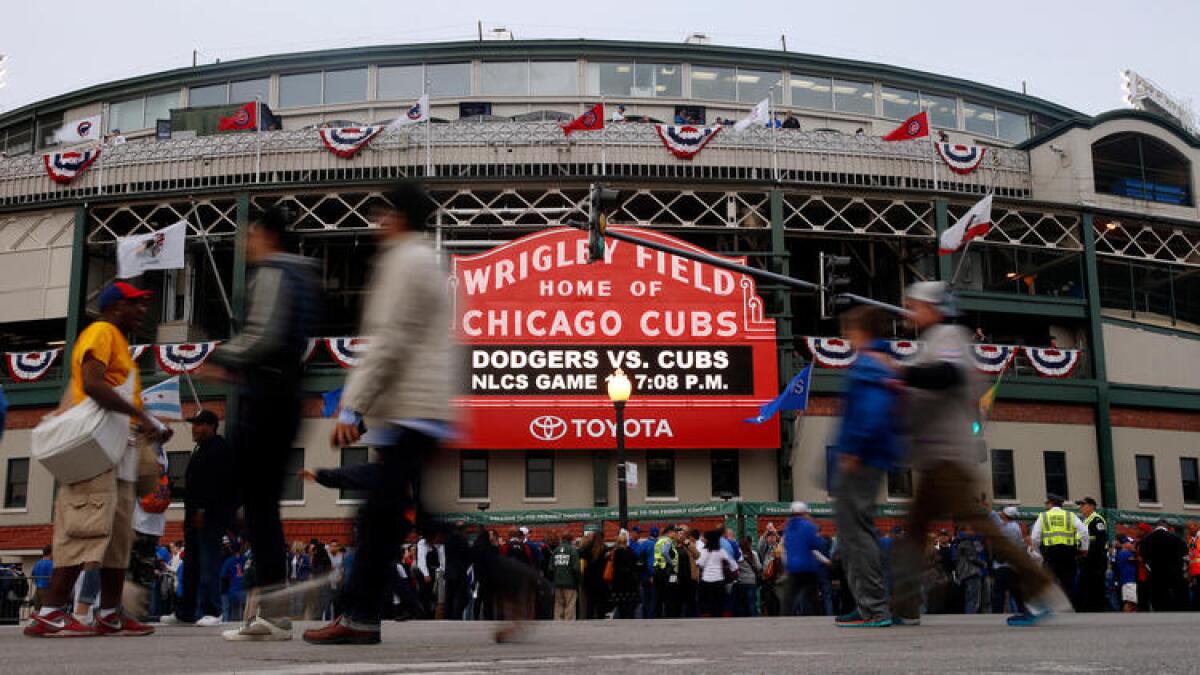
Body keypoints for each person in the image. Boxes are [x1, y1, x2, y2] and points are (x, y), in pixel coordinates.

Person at [303, 180, 465, 645]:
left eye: (384, 213)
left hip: (413, 410)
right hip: (418, 410)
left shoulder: (404, 262)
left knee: (377, 520)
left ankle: (358, 617)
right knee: (406, 517)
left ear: (401, 217)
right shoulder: (424, 261)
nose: (379, 222)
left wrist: (352, 408)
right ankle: (508, 577)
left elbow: (388, 342)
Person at [891, 281, 1063, 628]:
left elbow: (947, 375)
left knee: (985, 528)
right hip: (933, 456)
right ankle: (904, 606)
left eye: (917, 305)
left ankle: (1041, 587)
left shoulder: (949, 336)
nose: (911, 311)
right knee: (915, 529)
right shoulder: (930, 342)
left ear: (935, 308)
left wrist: (902, 373)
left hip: (950, 456)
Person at [26, 281, 170, 638]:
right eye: (134, 304)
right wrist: (145, 417)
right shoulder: (102, 331)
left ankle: (109, 613)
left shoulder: (119, 342)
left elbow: (115, 394)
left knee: (119, 533)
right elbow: (93, 384)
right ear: (115, 306)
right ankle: (49, 611)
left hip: (119, 448)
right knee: (86, 525)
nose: (142, 311)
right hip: (96, 450)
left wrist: (145, 424)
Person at [202, 204, 320, 642]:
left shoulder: (273, 273)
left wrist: (222, 358)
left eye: (250, 236)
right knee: (262, 504)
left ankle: (272, 610)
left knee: (259, 505)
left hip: (267, 396)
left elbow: (261, 336)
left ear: (268, 235)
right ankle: (272, 608)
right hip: (285, 395)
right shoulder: (304, 275)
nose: (246, 245)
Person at [831, 305, 902, 628]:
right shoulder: (884, 362)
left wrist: (854, 449)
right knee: (855, 532)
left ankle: (874, 607)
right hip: (872, 455)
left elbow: (871, 411)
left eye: (850, 331)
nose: (847, 337)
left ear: (863, 332)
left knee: (856, 534)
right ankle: (866, 604)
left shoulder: (869, 365)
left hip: (861, 457)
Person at [163, 410, 232, 626]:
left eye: (200, 424)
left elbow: (218, 485)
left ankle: (214, 610)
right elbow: (194, 485)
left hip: (209, 518)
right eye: (194, 424)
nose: (194, 428)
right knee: (191, 564)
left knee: (208, 563)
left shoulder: (219, 449)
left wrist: (203, 509)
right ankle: (186, 611)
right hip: (193, 516)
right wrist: (172, 490)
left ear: (212, 426)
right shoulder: (200, 449)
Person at [1032, 495, 1087, 605]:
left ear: (1051, 504)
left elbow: (1035, 538)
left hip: (1050, 553)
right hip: (1068, 553)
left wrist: (1038, 552)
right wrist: (1084, 548)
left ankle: (1050, 607)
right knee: (1069, 582)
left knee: (1048, 582)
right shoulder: (1070, 515)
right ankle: (1070, 607)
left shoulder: (1043, 516)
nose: (1046, 506)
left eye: (1047, 503)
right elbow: (1084, 531)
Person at [782, 502, 828, 616]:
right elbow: (816, 544)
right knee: (812, 596)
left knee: (789, 597)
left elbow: (786, 546)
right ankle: (817, 617)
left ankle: (784, 616)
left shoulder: (787, 528)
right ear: (805, 513)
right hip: (808, 566)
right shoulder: (809, 526)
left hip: (792, 567)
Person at [1138, 519, 1188, 611]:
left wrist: (1150, 567)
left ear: (1155, 526)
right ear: (1167, 527)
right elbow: (1185, 553)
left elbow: (1142, 557)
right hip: (1173, 572)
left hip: (1155, 572)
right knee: (1173, 594)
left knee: (1157, 595)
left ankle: (1159, 611)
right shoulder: (1176, 538)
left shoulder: (1146, 539)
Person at [990, 506, 1027, 614]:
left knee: (999, 592)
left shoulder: (1008, 528)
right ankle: (1022, 611)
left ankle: (997, 614)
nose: (1000, 514)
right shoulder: (1014, 526)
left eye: (1002, 513)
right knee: (1016, 592)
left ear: (1005, 515)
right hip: (1012, 566)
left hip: (1003, 566)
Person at [1075, 497, 1109, 612]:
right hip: (1087, 558)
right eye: (1080, 505)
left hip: (1096, 558)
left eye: (1083, 505)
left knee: (1096, 584)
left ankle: (1097, 609)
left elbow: (1099, 541)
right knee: (1087, 585)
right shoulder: (1085, 521)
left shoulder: (1097, 520)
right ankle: (1090, 608)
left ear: (1091, 506)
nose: (1081, 508)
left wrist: (1087, 555)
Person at [696, 530, 737, 618]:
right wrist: (733, 570)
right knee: (719, 604)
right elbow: (733, 564)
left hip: (706, 581)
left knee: (707, 603)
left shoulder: (705, 551)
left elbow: (700, 563)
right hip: (719, 580)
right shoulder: (721, 551)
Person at [551, 530, 581, 620]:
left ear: (562, 539)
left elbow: (551, 568)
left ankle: (558, 624)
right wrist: (578, 581)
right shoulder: (573, 550)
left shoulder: (555, 550)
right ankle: (568, 626)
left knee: (558, 605)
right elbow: (576, 568)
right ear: (571, 539)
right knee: (570, 605)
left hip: (557, 583)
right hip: (570, 583)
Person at [609, 532, 640, 619]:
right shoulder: (630, 551)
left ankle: (621, 614)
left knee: (620, 601)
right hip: (629, 579)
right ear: (626, 541)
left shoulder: (615, 552)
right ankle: (629, 614)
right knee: (629, 600)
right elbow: (636, 564)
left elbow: (613, 565)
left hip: (618, 579)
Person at [955, 526, 984, 614]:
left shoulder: (959, 542)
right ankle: (971, 618)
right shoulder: (967, 542)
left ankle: (969, 616)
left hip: (964, 574)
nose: (974, 532)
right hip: (972, 572)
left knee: (969, 598)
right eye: (971, 530)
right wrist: (983, 564)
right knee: (974, 599)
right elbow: (972, 557)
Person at [652, 527, 678, 618]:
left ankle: (657, 617)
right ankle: (669, 617)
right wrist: (671, 562)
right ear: (670, 532)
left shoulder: (659, 541)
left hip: (657, 571)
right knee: (669, 597)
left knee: (658, 597)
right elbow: (664, 552)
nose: (676, 534)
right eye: (675, 532)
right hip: (666, 571)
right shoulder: (668, 540)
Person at [734, 537, 761, 617]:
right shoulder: (753, 554)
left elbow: (734, 567)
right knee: (751, 603)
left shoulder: (737, 555)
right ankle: (754, 618)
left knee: (741, 604)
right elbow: (759, 567)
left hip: (741, 581)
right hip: (751, 581)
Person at [31, 546, 52, 611]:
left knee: (37, 611)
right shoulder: (51, 563)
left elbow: (32, 577)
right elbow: (52, 578)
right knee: (47, 611)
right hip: (47, 590)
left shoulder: (37, 563)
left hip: (38, 590)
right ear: (51, 553)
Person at [1188, 523, 1200, 611]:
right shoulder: (1192, 539)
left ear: (1197, 527)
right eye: (1189, 528)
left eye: (1191, 528)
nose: (1189, 530)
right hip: (1194, 571)